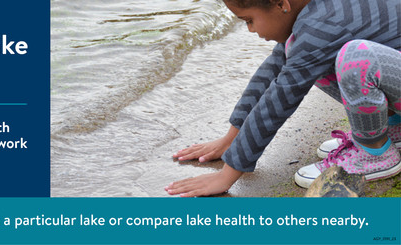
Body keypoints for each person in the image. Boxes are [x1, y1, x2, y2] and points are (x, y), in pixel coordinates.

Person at [166, 0, 401, 197]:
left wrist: (227, 174)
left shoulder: (322, 25)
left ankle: (374, 153)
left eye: (249, 20)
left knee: (355, 58)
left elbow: (279, 100)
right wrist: (231, 139)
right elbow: (274, 73)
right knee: (299, 55)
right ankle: (389, 129)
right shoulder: (315, 17)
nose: (250, 29)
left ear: (281, 4)